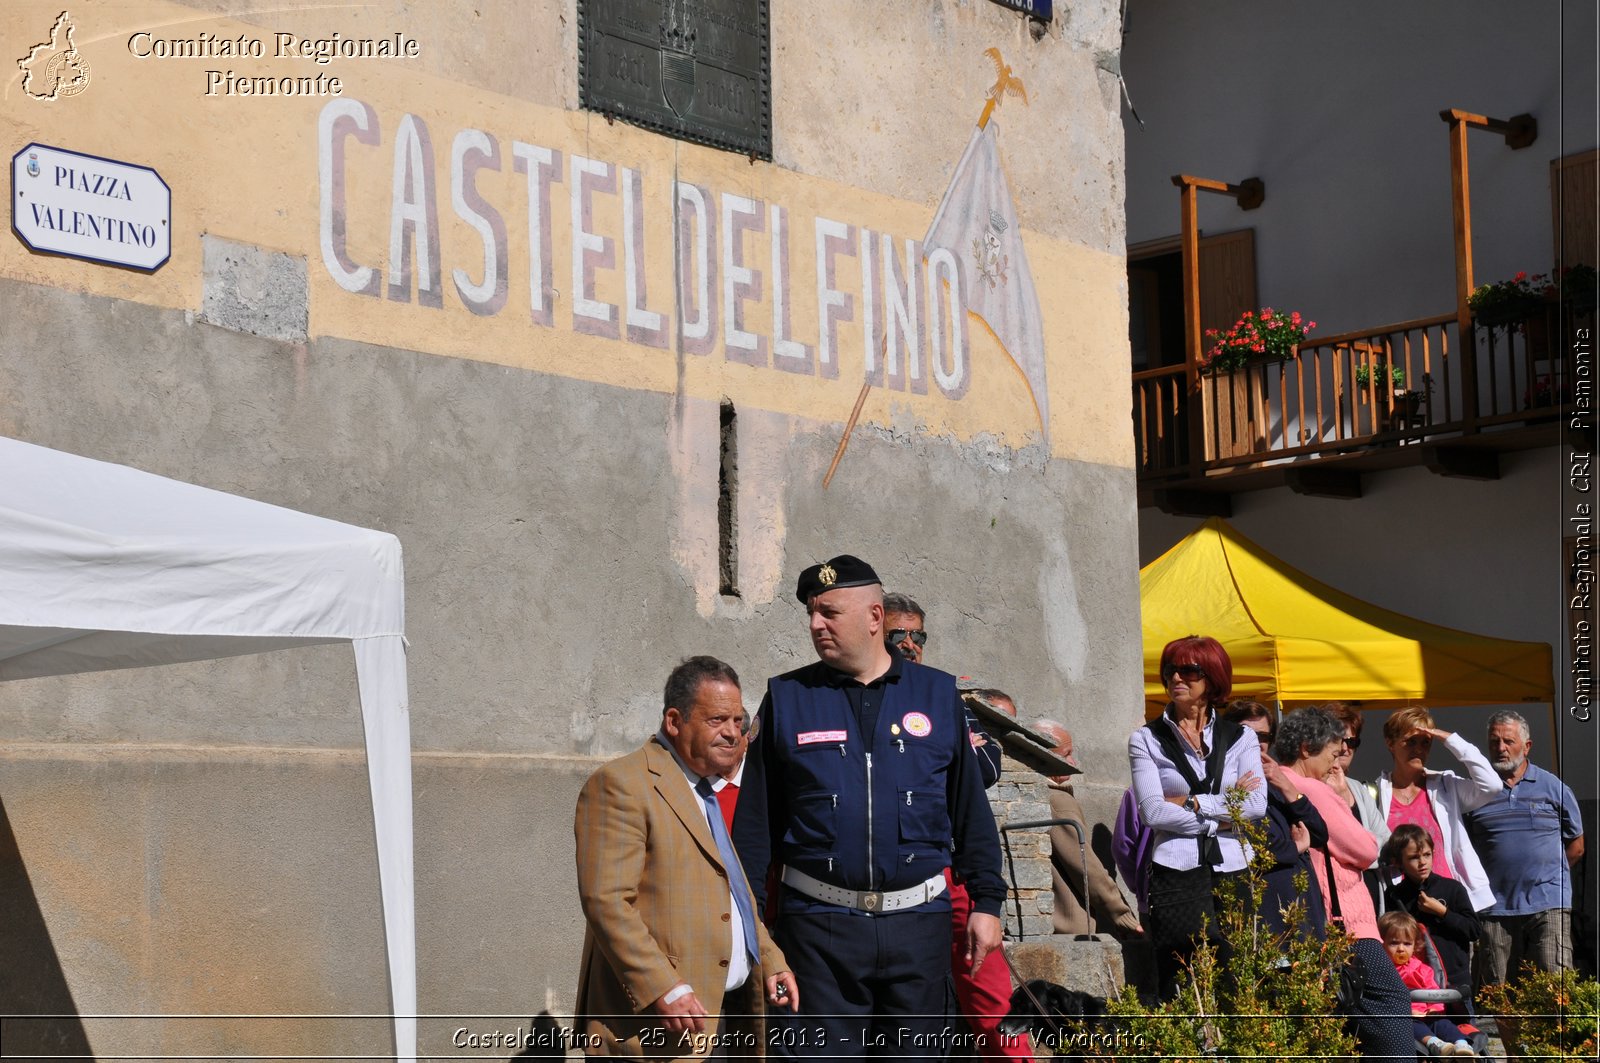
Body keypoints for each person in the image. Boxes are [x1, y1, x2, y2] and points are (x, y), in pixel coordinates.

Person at [733, 556, 1007, 1060]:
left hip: (918, 930)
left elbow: (969, 809)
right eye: (812, 613)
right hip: (817, 933)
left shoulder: (938, 695)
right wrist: (755, 935)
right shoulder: (787, 699)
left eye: (830, 612)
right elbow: (754, 830)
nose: (816, 624)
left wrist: (987, 903)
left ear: (875, 617)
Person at [574, 656, 797, 1058]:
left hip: (726, 1016)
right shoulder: (621, 784)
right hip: (659, 1024)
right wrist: (663, 986)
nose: (732, 734)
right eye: (716, 721)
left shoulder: (704, 789)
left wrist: (769, 958)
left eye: (737, 721)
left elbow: (732, 888)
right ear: (675, 722)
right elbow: (606, 902)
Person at [880, 593, 1024, 1063]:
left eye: (917, 634)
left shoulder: (945, 698)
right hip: (889, 876)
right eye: (897, 633)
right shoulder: (853, 699)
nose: (908, 643)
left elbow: (984, 765)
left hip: (953, 871)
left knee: (989, 995)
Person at [1128, 635, 1266, 1000]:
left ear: (1213, 679)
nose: (1176, 678)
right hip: (1175, 873)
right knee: (1179, 977)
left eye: (1189, 671)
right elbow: (1153, 812)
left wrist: (1190, 803)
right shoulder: (1146, 739)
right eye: (1170, 670)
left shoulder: (1241, 737)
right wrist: (1224, 810)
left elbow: (1255, 806)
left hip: (1234, 867)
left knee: (1239, 976)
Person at [1276, 706, 1414, 1061]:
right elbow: (1367, 848)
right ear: (1307, 748)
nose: (1334, 764)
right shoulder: (1312, 788)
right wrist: (1339, 797)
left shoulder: (1277, 784)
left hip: (1308, 922)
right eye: (1332, 753)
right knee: (1391, 1002)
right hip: (1347, 925)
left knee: (1339, 1019)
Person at [1464, 710, 1586, 985]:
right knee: (1497, 990)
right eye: (1494, 741)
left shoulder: (1552, 787)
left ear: (1526, 746)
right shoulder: (1476, 791)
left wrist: (1547, 875)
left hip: (1548, 903)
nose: (1500, 748)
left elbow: (1576, 846)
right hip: (1494, 906)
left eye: (1508, 741)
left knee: (1554, 982)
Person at [1377, 706, 1501, 913]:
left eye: (1426, 742)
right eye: (1411, 742)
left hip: (1446, 899)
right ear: (1390, 743)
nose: (1419, 749)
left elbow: (1492, 786)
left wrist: (1451, 740)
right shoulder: (1377, 794)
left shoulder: (1445, 785)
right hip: (1400, 904)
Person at [1221, 700, 1327, 937]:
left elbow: (1319, 833)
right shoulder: (1225, 784)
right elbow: (1254, 844)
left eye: (1263, 736)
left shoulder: (1274, 783)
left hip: (1303, 912)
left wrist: (1287, 786)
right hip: (1267, 915)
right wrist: (1297, 846)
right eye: (1246, 734)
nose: (1256, 744)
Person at [1033, 716, 1142, 939]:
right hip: (1069, 929)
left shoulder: (1039, 797)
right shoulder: (1057, 801)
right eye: (1066, 754)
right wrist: (1123, 915)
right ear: (1044, 757)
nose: (1072, 762)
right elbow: (1085, 866)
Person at [1381, 823, 1479, 1007]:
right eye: (1414, 857)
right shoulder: (1394, 896)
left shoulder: (1452, 889)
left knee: (1464, 1033)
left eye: (1427, 855)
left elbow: (1473, 930)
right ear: (1398, 862)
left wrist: (1442, 912)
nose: (1422, 862)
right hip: (1415, 984)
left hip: (1454, 983)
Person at [1378, 911, 1479, 1057]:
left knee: (1444, 1024)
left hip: (1428, 1014)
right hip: (1405, 1017)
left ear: (1415, 945)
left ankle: (1462, 1046)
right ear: (1382, 944)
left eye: (1407, 944)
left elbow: (1433, 990)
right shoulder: (1383, 971)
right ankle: (1435, 1044)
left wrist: (1434, 1009)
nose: (1401, 948)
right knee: (1411, 1026)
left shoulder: (1422, 969)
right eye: (1394, 943)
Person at [1323, 702, 1391, 911]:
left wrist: (1362, 854)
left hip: (1368, 896)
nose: (1345, 748)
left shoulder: (1359, 789)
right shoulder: (1312, 785)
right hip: (1333, 897)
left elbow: (1386, 841)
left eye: (1351, 741)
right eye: (1338, 739)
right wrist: (1366, 851)